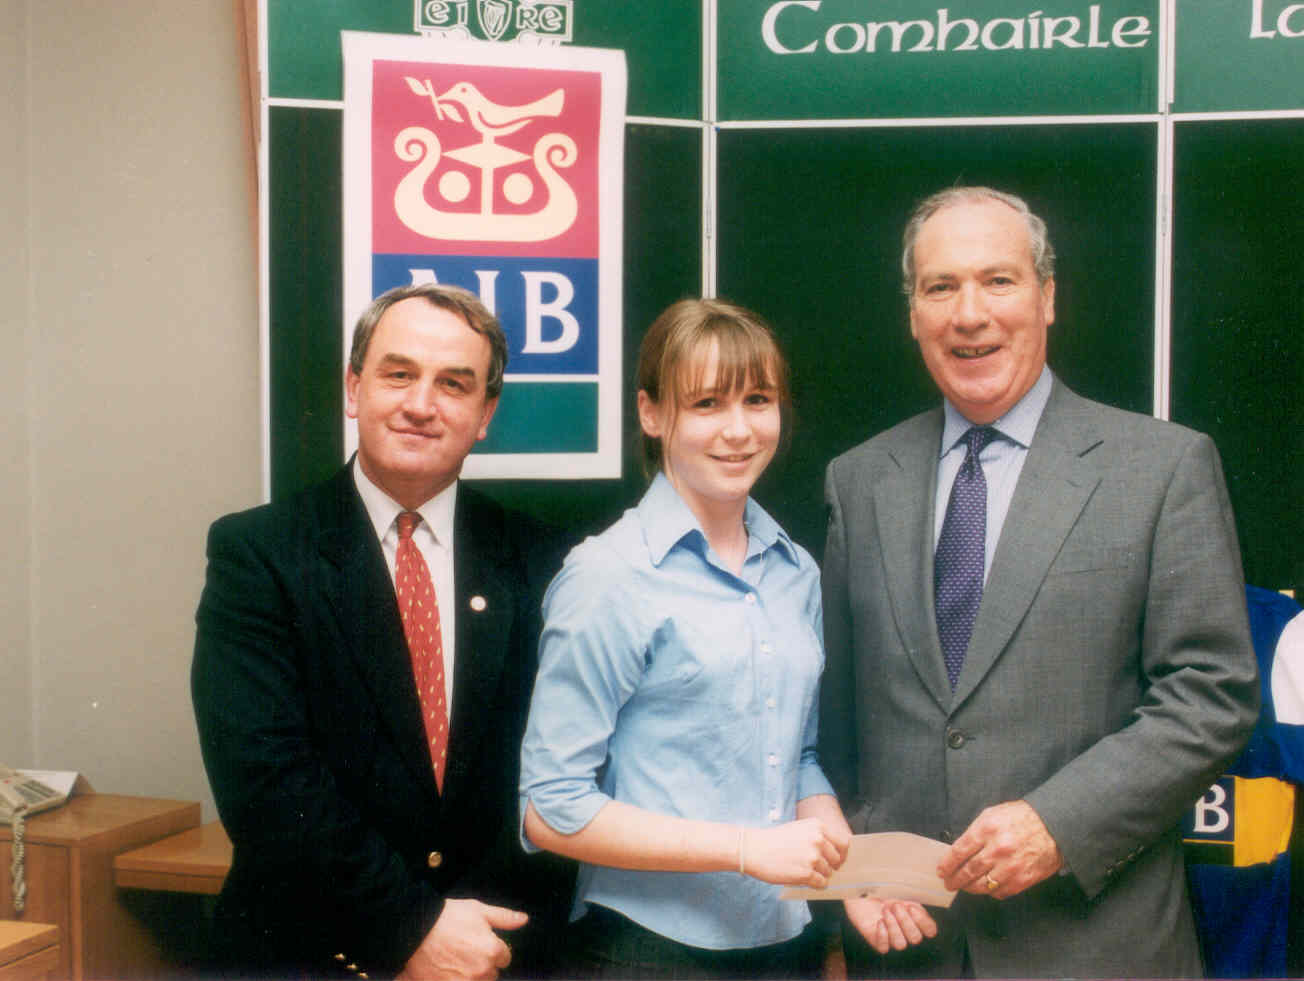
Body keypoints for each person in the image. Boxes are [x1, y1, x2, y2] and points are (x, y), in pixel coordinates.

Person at [819, 186, 1261, 977]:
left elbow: (1211, 694)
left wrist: (1058, 822)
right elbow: (839, 725)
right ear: (913, 313)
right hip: (908, 950)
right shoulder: (859, 482)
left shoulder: (1162, 468)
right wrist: (854, 877)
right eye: (941, 286)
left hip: (1098, 947)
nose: (970, 314)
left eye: (998, 280)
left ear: (1047, 297)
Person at [518, 298, 936, 980]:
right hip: (646, 954)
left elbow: (797, 759)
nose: (738, 430)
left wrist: (853, 878)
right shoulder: (609, 574)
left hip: (785, 947)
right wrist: (744, 848)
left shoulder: (795, 572)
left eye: (758, 400)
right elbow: (550, 808)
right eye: (707, 403)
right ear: (652, 414)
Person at [192, 283, 570, 980]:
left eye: (453, 384)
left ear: (485, 414)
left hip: (492, 955)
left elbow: (557, 776)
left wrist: (469, 940)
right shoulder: (260, 553)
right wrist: (410, 927)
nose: (421, 404)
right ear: (353, 387)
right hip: (311, 955)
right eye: (399, 373)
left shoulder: (544, 560)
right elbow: (266, 781)